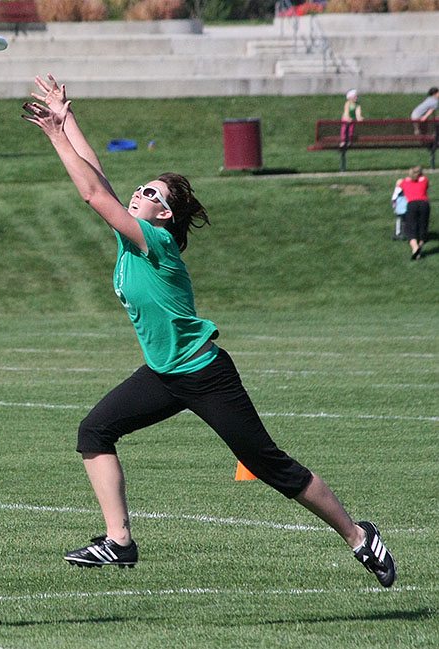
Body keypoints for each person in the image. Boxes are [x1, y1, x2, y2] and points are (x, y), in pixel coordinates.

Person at [21, 74, 396, 589]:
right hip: (162, 374)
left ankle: (360, 536)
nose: (138, 190)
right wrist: (69, 118)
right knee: (95, 431)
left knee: (269, 465)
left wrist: (55, 135)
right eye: (141, 185)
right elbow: (101, 182)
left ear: (165, 213)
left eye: (150, 190)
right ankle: (120, 542)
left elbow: (91, 192)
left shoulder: (155, 243)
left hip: (204, 374)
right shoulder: (133, 239)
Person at [396, 165, 429, 260]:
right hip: (424, 204)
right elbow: (423, 181)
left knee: (410, 227)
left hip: (412, 204)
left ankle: (415, 248)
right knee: (423, 226)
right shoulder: (424, 180)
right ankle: (420, 247)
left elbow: (399, 182)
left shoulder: (405, 183)